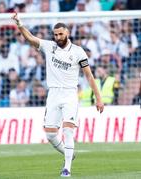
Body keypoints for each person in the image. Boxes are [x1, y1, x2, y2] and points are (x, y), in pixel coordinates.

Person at [12, 12, 104, 177]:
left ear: (67, 33)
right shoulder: (49, 46)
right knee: (50, 134)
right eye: (55, 34)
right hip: (53, 94)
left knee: (68, 131)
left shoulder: (78, 52)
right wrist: (19, 24)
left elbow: (89, 75)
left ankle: (67, 167)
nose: (58, 37)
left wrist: (98, 98)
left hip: (69, 94)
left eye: (60, 34)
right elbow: (30, 38)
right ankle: (69, 153)